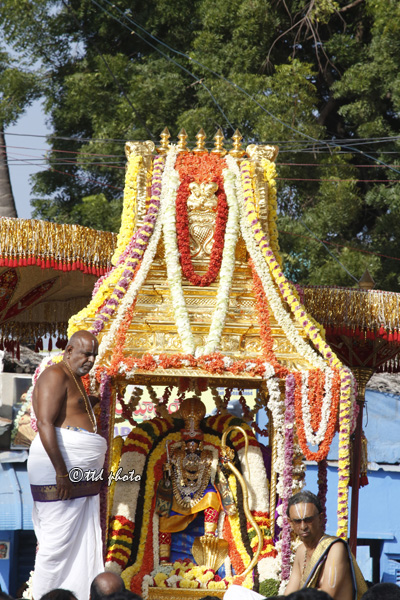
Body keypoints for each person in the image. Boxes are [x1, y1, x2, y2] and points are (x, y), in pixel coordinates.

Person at [27, 330, 107, 600]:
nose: (91, 359)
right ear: (69, 350)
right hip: (58, 468)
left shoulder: (75, 378)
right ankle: (45, 596)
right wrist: (62, 472)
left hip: (76, 468)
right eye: (86, 353)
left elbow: (69, 413)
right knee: (57, 543)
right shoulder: (55, 375)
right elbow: (45, 423)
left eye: (94, 354)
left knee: (79, 541)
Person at [284, 491, 367, 600]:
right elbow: (287, 596)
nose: (303, 526)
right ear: (290, 522)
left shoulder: (335, 548)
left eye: (308, 520)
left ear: (320, 518)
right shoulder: (301, 551)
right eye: (297, 521)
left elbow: (325, 597)